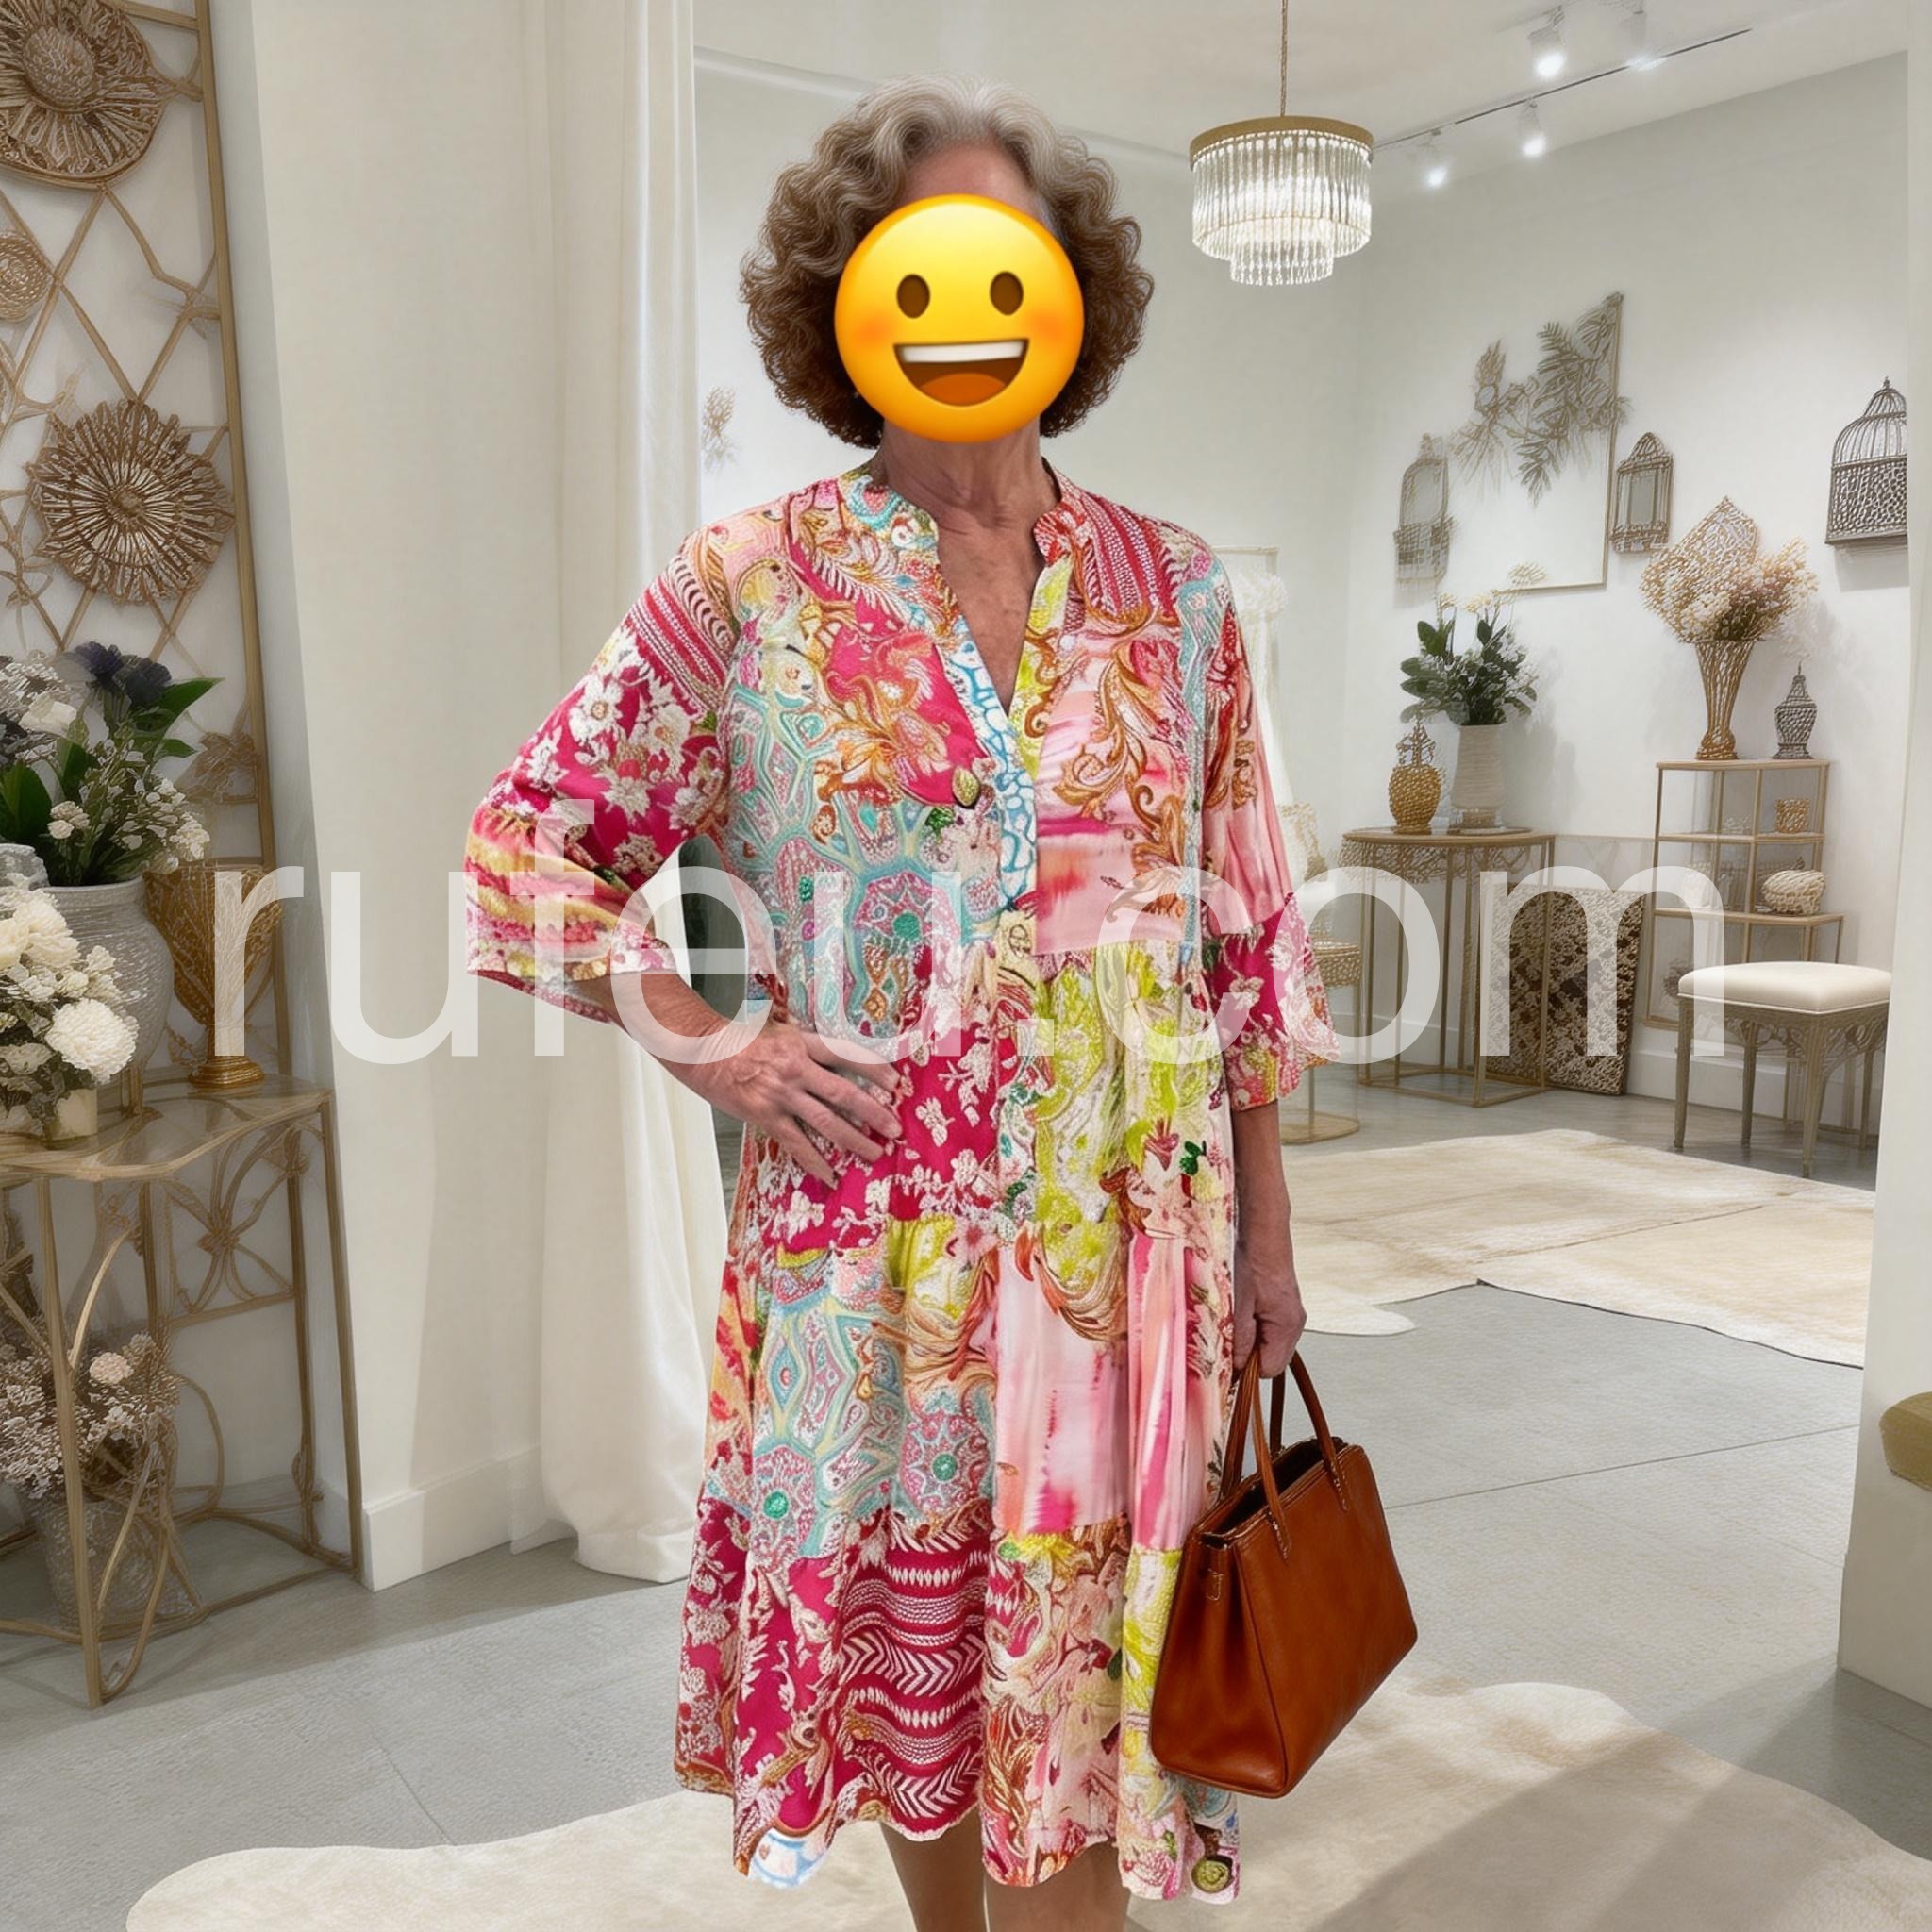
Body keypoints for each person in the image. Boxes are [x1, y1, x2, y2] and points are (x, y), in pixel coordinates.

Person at [463, 74, 1334, 1932]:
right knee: (914, 1697)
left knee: (1093, 1706)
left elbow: (1249, 933)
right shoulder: (748, 588)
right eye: (914, 260)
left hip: (1130, 1254)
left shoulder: (1178, 592)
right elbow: (524, 852)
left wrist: (1268, 1227)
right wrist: (714, 1040)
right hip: (871, 1267)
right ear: (843, 300)